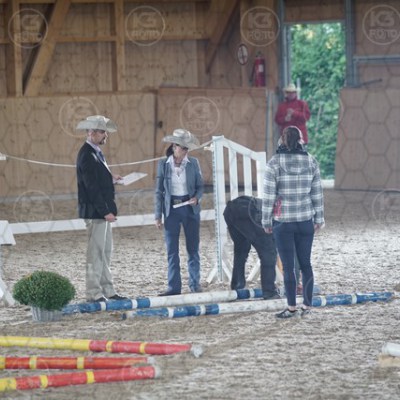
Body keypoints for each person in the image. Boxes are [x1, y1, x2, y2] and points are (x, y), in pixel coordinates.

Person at [262, 126, 324, 318]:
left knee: (288, 267)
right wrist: (319, 218)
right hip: (305, 220)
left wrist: (266, 220)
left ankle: (291, 308)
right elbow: (317, 193)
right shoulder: (311, 161)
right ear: (300, 140)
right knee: (306, 264)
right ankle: (307, 306)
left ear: (282, 140)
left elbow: (268, 196)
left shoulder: (274, 163)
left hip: (283, 222)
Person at [76, 115, 128, 303]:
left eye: (105, 131)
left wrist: (111, 178)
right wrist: (105, 211)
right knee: (96, 254)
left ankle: (108, 289)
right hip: (96, 212)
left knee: (105, 252)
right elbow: (91, 187)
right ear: (90, 132)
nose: (106, 135)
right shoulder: (86, 154)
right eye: (102, 132)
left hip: (101, 211)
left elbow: (97, 179)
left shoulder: (95, 152)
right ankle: (93, 292)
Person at [154, 129, 204, 296]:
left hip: (190, 209)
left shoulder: (193, 163)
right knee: (172, 251)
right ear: (174, 147)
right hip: (171, 211)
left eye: (187, 148)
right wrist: (157, 215)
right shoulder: (163, 164)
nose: (185, 151)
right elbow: (158, 191)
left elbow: (200, 186)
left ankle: (195, 284)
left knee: (193, 248)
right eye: (183, 148)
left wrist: (197, 198)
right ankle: (174, 287)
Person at [223, 196, 280, 300]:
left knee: (241, 249)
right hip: (247, 211)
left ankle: (237, 286)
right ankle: (269, 292)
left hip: (231, 210)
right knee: (268, 252)